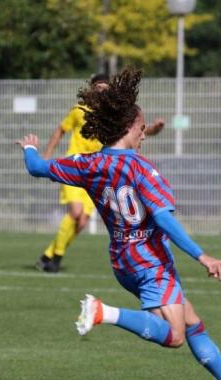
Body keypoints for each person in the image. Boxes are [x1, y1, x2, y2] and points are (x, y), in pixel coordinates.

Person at [18, 67, 221, 380]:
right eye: (141, 128)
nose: (144, 134)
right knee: (176, 336)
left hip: (122, 261)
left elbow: (36, 168)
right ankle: (104, 312)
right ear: (127, 128)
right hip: (151, 261)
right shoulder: (142, 169)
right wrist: (202, 255)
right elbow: (164, 219)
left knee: (191, 321)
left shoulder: (88, 163)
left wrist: (30, 149)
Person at [36, 73, 165, 273]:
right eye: (98, 88)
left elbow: (137, 131)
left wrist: (155, 128)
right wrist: (46, 156)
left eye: (105, 89)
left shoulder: (112, 115)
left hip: (97, 173)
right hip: (76, 168)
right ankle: (56, 258)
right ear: (92, 90)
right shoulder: (78, 111)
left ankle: (49, 254)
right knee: (76, 212)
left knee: (81, 223)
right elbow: (60, 131)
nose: (102, 92)